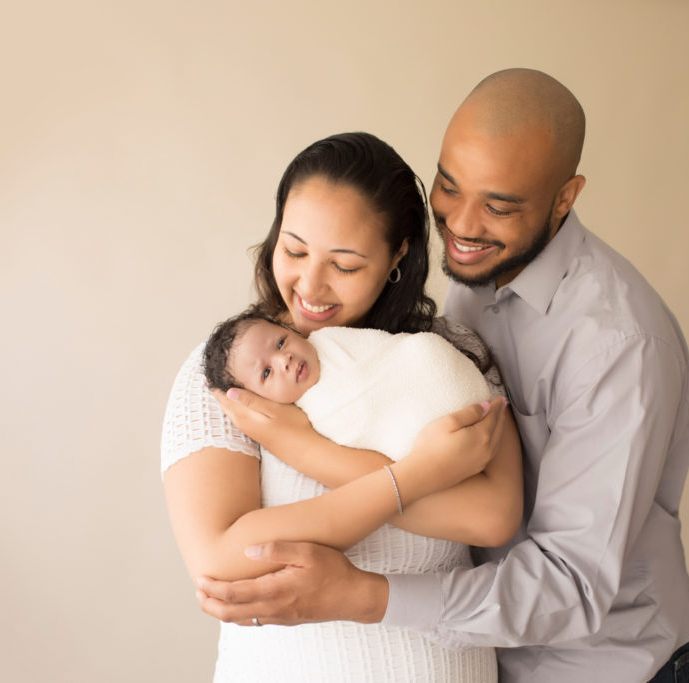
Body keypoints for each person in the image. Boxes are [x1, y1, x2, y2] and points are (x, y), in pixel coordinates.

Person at [201, 70, 689, 682]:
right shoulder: (466, 291)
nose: (462, 226)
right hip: (481, 658)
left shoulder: (619, 346)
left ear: (565, 198)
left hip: (596, 668)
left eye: (498, 206)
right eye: (448, 186)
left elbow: (568, 583)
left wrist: (362, 594)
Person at [161, 131, 522, 682]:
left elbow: (492, 516)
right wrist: (420, 474)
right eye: (294, 249)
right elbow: (221, 560)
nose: (309, 285)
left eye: (345, 265)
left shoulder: (444, 357)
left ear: (398, 254)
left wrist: (303, 449)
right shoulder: (235, 370)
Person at [202, 312, 500, 463]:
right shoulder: (307, 418)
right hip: (427, 438)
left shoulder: (329, 339)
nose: (285, 359)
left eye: (281, 342)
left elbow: (395, 350)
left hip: (438, 377)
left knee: (424, 349)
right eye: (267, 372)